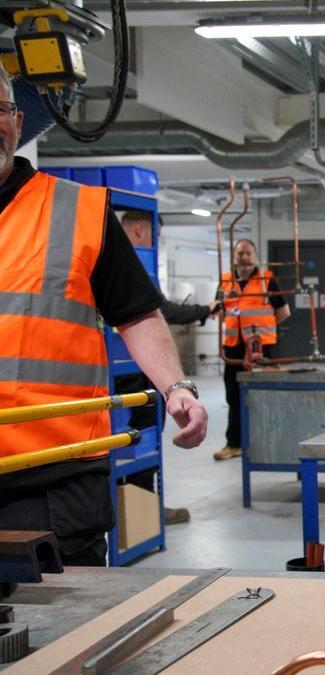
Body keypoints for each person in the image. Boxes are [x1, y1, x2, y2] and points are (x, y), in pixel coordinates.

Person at [0, 69, 208, 565]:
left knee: (66, 637)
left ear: (17, 120)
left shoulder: (76, 211)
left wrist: (178, 388)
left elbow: (136, 314)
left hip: (55, 479)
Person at [119, 210, 219, 523]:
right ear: (139, 230)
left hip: (115, 372)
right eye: (156, 236)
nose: (156, 244)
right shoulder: (134, 264)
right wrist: (205, 309)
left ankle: (135, 512)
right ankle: (143, 516)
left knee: (125, 444)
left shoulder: (110, 260)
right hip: (136, 375)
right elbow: (160, 312)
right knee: (142, 443)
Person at [214, 239, 290, 460]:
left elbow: (283, 311)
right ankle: (234, 443)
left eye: (248, 253)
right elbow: (217, 310)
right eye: (240, 254)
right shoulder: (225, 282)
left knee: (264, 397)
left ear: (255, 255)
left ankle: (268, 443)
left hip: (262, 348)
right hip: (233, 350)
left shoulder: (267, 279)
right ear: (234, 257)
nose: (244, 257)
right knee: (233, 398)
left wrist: (264, 330)